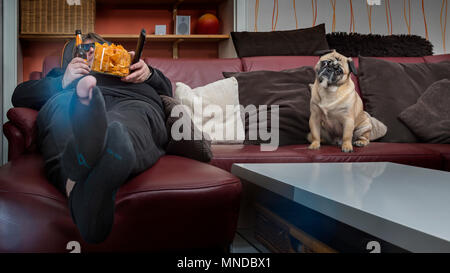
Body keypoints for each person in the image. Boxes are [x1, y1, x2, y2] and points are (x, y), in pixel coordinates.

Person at [12, 33, 172, 243]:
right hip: (71, 98)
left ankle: (98, 164)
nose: (90, 53)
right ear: (71, 59)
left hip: (131, 100)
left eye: (96, 49)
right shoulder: (61, 74)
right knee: (63, 113)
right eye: (83, 51)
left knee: (122, 127)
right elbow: (19, 95)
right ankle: (83, 184)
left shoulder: (135, 71)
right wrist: (63, 80)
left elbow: (168, 90)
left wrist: (150, 74)